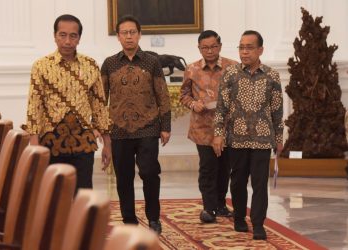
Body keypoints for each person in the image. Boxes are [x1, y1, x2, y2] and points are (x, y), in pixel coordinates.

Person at [25, 14, 111, 193]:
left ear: (79, 38)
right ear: (54, 36)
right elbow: (35, 106)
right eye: (62, 35)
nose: (67, 41)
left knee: (82, 194)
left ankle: (81, 222)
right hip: (50, 140)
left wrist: (107, 144)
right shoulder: (41, 66)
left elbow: (99, 105)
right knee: (52, 196)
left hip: (83, 140)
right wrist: (34, 144)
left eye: (73, 36)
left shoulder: (90, 65)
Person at [101, 15, 171, 235]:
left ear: (140, 34)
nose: (129, 36)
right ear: (118, 36)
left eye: (133, 32)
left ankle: (153, 218)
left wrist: (165, 126)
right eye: (124, 32)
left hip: (148, 127)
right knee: (123, 178)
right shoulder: (109, 63)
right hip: (119, 130)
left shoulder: (152, 62)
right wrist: (103, 131)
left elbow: (163, 94)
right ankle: (129, 220)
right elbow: (100, 99)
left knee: (150, 173)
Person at [212, 30, 283, 240]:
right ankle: (240, 218)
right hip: (237, 138)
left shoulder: (272, 75)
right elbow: (221, 108)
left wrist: (279, 139)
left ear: (260, 49)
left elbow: (277, 110)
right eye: (241, 47)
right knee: (238, 181)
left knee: (260, 183)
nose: (244, 52)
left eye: (249, 48)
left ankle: (259, 223)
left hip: (262, 138)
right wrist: (218, 134)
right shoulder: (231, 74)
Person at [180, 30, 237, 223]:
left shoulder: (233, 67)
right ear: (199, 48)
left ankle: (221, 204)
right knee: (208, 168)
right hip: (202, 128)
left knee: (225, 168)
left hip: (228, 128)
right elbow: (184, 95)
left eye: (213, 46)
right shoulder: (192, 69)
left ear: (220, 46)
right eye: (205, 47)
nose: (210, 51)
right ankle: (209, 208)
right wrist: (193, 104)